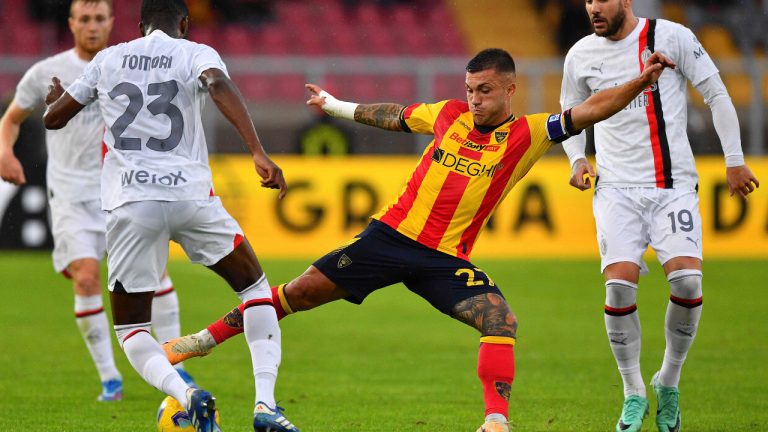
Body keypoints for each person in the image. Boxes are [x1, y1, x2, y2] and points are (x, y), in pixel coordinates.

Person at [161, 47, 675, 432]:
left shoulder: (531, 133)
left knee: (500, 320)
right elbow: (394, 115)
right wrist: (335, 105)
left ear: (510, 91)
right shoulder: (448, 114)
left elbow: (594, 108)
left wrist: (641, 79)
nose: (475, 99)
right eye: (471, 89)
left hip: (444, 260)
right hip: (387, 238)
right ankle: (200, 342)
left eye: (486, 91)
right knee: (296, 295)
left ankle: (496, 421)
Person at [42, 1, 298, 431]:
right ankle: (266, 406)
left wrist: (55, 101)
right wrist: (257, 150)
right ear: (184, 23)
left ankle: (185, 394)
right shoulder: (195, 52)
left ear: (140, 26)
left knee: (132, 330)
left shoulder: (109, 58)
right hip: (191, 198)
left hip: (131, 204)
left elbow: (53, 118)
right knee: (255, 290)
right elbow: (216, 84)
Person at [559, 1, 760, 432]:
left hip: (672, 185)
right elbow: (569, 118)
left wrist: (734, 160)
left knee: (687, 281)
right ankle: (633, 392)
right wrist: (577, 161)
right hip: (615, 189)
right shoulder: (579, 55)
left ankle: (668, 379)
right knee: (617, 288)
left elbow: (717, 94)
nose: (593, 7)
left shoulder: (672, 36)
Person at [0, 0, 195, 401]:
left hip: (123, 190)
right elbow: (11, 119)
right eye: (84, 19)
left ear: (111, 23)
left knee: (155, 278)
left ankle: (179, 369)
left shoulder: (125, 62)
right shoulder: (45, 72)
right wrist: (5, 151)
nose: (92, 26)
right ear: (71, 24)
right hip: (71, 196)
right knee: (87, 278)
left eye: (99, 19)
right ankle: (111, 379)